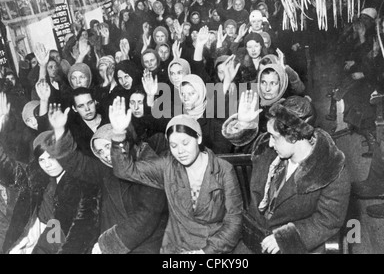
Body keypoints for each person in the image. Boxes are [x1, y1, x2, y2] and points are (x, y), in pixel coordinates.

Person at [109, 99, 243, 254]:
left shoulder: (224, 169)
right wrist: (118, 135)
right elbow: (124, 170)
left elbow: (234, 220)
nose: (180, 151)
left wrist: (206, 252)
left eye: (185, 143)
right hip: (177, 246)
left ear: (198, 138)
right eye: (174, 146)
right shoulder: (168, 166)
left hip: (214, 246)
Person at [222, 93, 351, 254]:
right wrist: (243, 123)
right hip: (251, 240)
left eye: (274, 137)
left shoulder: (331, 170)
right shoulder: (268, 148)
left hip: (292, 247)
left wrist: (285, 238)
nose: (269, 142)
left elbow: (328, 220)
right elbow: (241, 145)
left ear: (294, 136)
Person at [41, 104, 168, 254]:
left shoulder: (149, 166)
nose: (105, 154)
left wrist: (107, 245)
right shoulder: (107, 170)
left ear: (124, 142)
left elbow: (146, 217)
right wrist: (60, 132)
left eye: (108, 146)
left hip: (144, 246)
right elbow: (78, 164)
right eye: (100, 151)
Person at [0, 93, 99, 254]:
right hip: (37, 229)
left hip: (57, 237)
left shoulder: (76, 183)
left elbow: (62, 231)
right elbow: (10, 171)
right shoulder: (40, 175)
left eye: (52, 157)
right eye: (42, 160)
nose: (48, 165)